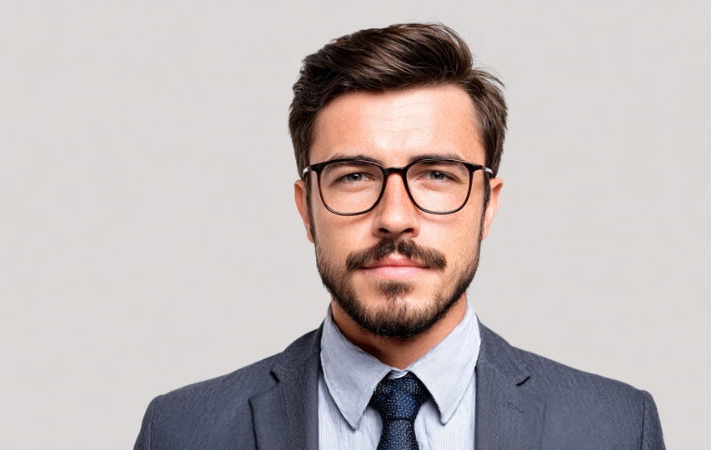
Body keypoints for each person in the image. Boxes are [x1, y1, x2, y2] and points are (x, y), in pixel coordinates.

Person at [133, 23, 665, 450]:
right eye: (354, 175)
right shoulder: (183, 432)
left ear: (487, 205)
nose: (394, 216)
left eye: (436, 175)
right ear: (306, 208)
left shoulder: (616, 429)